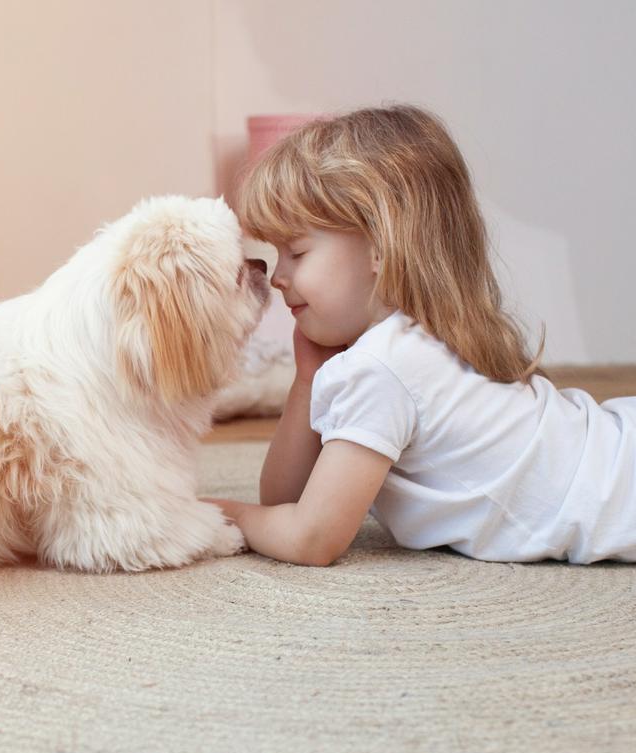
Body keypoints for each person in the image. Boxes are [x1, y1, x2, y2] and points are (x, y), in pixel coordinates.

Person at [205, 104, 636, 566]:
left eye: (296, 252)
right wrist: (308, 381)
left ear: (380, 247)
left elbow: (311, 538)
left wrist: (223, 514)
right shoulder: (413, 342)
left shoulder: (383, 367)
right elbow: (284, 500)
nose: (277, 277)